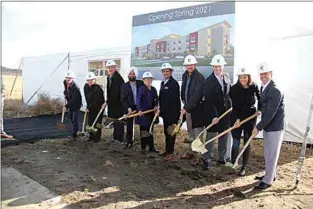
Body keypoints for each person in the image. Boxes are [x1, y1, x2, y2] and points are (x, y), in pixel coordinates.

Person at [253, 63, 285, 190]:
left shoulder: (275, 90)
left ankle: (268, 181)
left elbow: (271, 113)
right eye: (261, 74)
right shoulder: (264, 87)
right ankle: (271, 174)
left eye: (265, 74)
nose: (263, 76)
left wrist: (258, 127)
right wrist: (260, 110)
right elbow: (264, 105)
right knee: (268, 152)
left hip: (275, 126)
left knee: (272, 153)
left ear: (270, 74)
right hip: (268, 125)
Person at [202, 54, 232, 170]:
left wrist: (231, 106)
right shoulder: (209, 81)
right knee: (211, 136)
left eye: (219, 67)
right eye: (215, 67)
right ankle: (207, 158)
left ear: (223, 67)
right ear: (213, 67)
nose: (218, 69)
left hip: (225, 113)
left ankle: (222, 158)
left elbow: (228, 94)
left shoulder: (227, 77)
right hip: (213, 114)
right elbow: (208, 101)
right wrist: (214, 116)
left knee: (224, 135)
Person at [230, 67, 260, 176]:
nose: (243, 79)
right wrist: (237, 119)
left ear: (248, 77)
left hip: (250, 117)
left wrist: (259, 109)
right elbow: (235, 105)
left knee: (247, 142)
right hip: (237, 117)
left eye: (245, 77)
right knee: (236, 142)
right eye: (241, 77)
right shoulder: (234, 89)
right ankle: (234, 163)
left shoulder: (254, 86)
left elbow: (259, 98)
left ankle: (244, 167)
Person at [180, 55, 206, 165]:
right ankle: (192, 152)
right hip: (188, 108)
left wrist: (186, 107)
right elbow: (183, 89)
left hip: (198, 109)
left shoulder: (200, 78)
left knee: (197, 133)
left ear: (195, 65)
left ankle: (198, 155)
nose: (189, 66)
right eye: (188, 65)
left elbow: (197, 95)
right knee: (191, 132)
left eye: (191, 64)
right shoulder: (185, 75)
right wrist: (184, 101)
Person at [157, 63, 181, 161]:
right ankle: (167, 150)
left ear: (171, 72)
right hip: (165, 114)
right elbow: (161, 98)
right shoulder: (163, 83)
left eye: (167, 71)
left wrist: (176, 115)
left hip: (172, 113)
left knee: (171, 133)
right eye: (164, 71)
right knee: (166, 133)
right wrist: (159, 108)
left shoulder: (174, 84)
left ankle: (170, 153)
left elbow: (173, 100)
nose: (165, 73)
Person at [121, 66, 144, 149]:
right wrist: (128, 108)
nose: (132, 75)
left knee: (142, 125)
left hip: (139, 107)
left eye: (133, 74)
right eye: (130, 74)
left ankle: (143, 143)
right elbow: (123, 99)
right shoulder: (124, 86)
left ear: (136, 75)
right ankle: (129, 142)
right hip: (130, 108)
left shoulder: (141, 83)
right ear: (128, 75)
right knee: (129, 125)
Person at [136, 71, 159, 154]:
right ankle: (143, 148)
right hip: (143, 114)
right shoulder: (141, 89)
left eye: (150, 79)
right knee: (143, 131)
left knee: (150, 131)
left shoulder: (153, 89)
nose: (148, 80)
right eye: (146, 79)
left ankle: (151, 147)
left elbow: (156, 99)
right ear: (143, 80)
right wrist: (139, 110)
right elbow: (138, 100)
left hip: (151, 114)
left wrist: (156, 106)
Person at [104, 60, 125, 143]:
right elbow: (109, 91)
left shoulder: (118, 78)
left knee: (118, 120)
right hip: (112, 103)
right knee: (114, 120)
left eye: (112, 67)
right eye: (109, 67)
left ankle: (119, 138)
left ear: (115, 68)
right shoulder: (109, 77)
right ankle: (115, 136)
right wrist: (108, 101)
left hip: (118, 103)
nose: (110, 69)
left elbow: (115, 93)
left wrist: (107, 102)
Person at [84, 72, 105, 143]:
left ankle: (97, 138)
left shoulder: (98, 89)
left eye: (91, 80)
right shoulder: (86, 87)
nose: (90, 81)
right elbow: (87, 98)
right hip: (91, 107)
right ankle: (91, 136)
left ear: (94, 80)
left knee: (97, 123)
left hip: (99, 108)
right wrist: (88, 106)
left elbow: (96, 101)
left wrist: (89, 107)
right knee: (90, 122)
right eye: (88, 80)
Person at [63, 71, 82, 139]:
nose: (68, 79)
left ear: (72, 78)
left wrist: (66, 106)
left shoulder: (75, 87)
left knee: (75, 119)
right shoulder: (65, 82)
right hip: (70, 102)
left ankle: (75, 134)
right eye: (67, 78)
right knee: (71, 118)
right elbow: (66, 90)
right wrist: (65, 92)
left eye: (69, 78)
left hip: (76, 103)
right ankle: (75, 130)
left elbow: (74, 99)